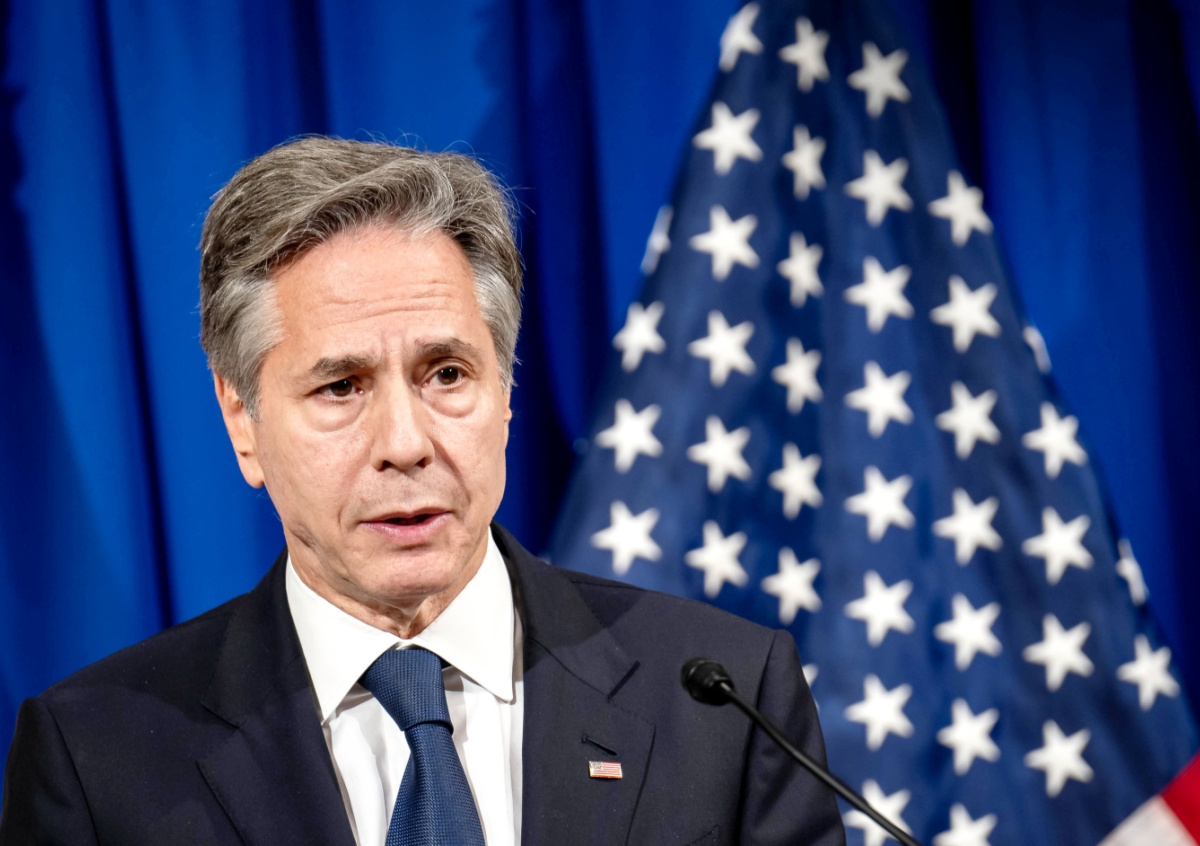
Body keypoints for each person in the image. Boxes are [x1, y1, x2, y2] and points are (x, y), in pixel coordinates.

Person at [0, 137, 845, 845]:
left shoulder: (725, 703)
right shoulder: (98, 759)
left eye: (446, 373)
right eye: (341, 387)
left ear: (505, 392)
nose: (405, 444)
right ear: (243, 422)